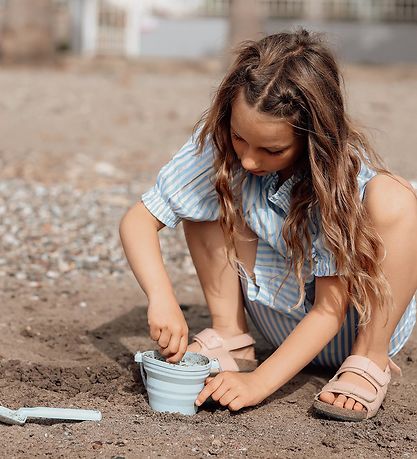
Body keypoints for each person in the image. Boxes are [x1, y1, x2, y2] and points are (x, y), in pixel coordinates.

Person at [119, 29, 417, 422]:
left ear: (315, 139)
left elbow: (330, 310)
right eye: (240, 137)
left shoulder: (336, 177)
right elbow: (138, 221)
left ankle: (369, 360)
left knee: (396, 195)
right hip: (277, 323)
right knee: (207, 188)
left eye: (272, 150)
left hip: (349, 325)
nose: (248, 160)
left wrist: (259, 383)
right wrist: (161, 296)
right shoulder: (223, 146)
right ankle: (231, 336)